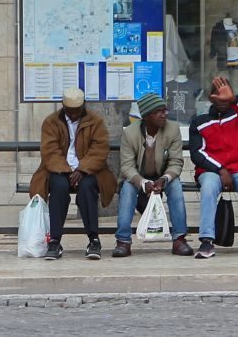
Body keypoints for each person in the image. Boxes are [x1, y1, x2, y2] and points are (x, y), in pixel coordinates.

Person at [30, 87, 117, 261]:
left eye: (77, 111)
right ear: (63, 107)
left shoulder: (95, 121)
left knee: (87, 188)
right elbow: (50, 151)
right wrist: (66, 170)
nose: (74, 115)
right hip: (58, 169)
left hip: (89, 171)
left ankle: (94, 239)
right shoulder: (51, 122)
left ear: (83, 106)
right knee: (59, 188)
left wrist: (82, 169)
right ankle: (54, 241)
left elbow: (99, 150)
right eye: (70, 112)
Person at [189, 76, 238, 259]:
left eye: (225, 94)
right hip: (212, 170)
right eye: (217, 94)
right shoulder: (199, 121)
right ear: (210, 97)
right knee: (208, 187)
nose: (222, 98)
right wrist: (221, 169)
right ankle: (207, 241)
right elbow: (197, 153)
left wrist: (234, 99)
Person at [113, 92, 193, 258]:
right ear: (148, 116)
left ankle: (179, 239)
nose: (165, 114)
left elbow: (176, 162)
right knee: (127, 189)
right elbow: (127, 167)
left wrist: (165, 179)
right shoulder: (130, 133)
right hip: (137, 177)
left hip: (163, 176)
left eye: (165, 110)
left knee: (176, 186)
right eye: (160, 111)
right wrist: (143, 183)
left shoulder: (173, 129)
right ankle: (123, 241)